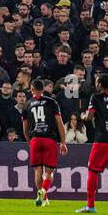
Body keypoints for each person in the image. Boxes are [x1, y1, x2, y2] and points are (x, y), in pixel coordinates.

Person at [78, 73, 108, 214]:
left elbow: (89, 116)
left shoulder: (96, 98)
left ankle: (90, 206)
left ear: (99, 84)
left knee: (93, 171)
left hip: (102, 140)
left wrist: (83, 116)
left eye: (97, 81)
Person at [23, 78, 67, 208]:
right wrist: (63, 142)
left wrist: (29, 141)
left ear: (32, 89)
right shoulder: (52, 102)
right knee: (49, 172)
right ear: (43, 89)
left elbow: (25, 127)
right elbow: (59, 123)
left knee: (38, 169)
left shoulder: (27, 104)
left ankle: (43, 197)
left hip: (35, 139)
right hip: (49, 139)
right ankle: (43, 192)